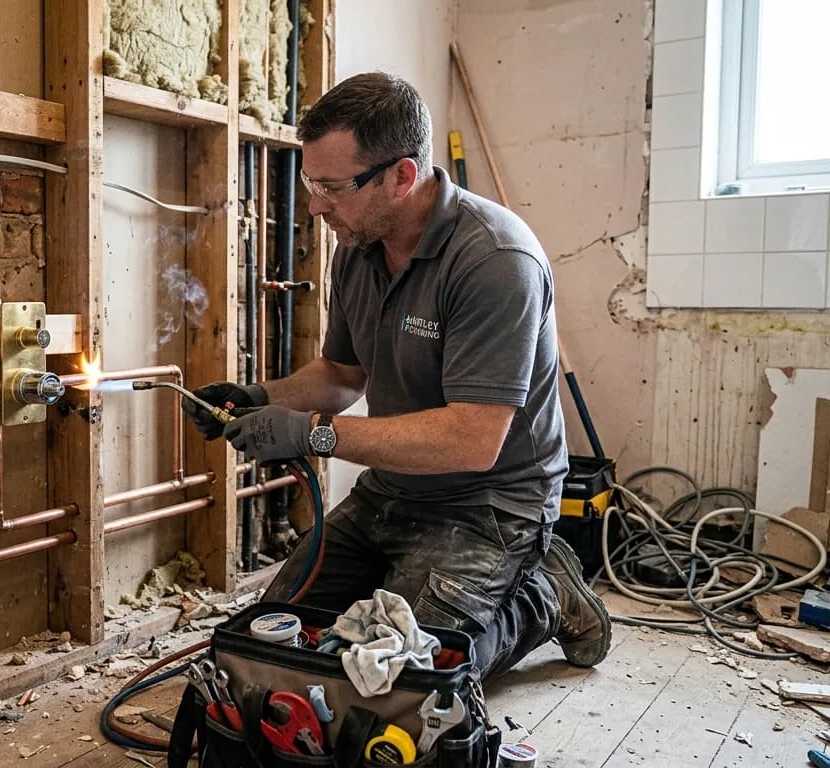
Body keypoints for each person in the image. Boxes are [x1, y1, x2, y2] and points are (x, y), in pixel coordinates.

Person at [183, 72, 610, 678]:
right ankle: (411, 579)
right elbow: (342, 372)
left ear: (403, 176)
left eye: (331, 186)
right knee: (271, 644)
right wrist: (257, 397)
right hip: (393, 490)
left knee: (407, 672)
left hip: (489, 505)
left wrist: (312, 433)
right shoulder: (357, 245)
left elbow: (472, 439)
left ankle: (543, 596)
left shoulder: (495, 261)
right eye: (310, 182)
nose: (314, 205)